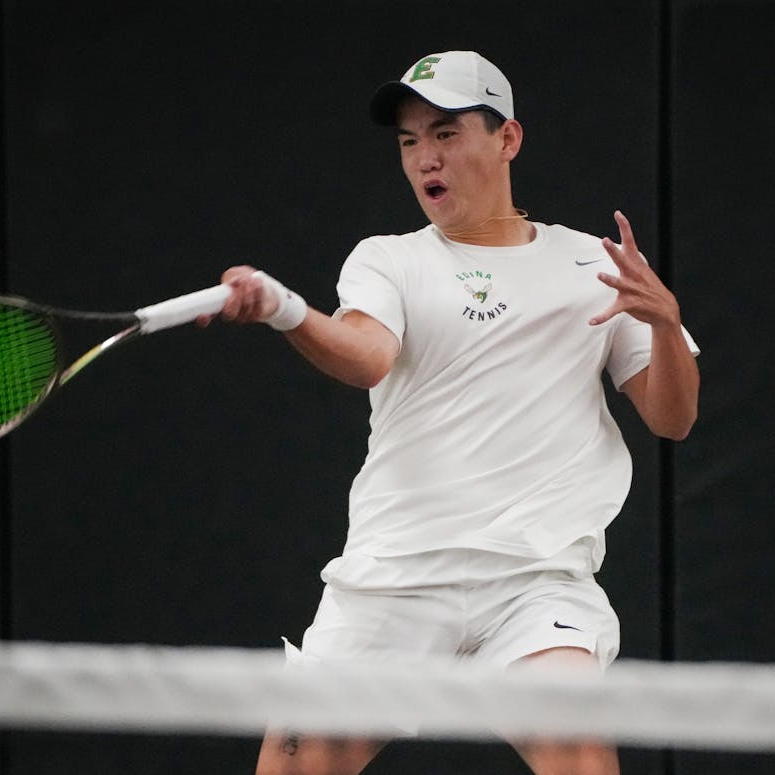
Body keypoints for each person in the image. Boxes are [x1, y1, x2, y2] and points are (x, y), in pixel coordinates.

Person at [203, 50, 700, 775]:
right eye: (409, 142)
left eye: (445, 133)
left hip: (535, 582)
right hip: (394, 578)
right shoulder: (388, 260)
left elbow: (672, 417)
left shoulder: (594, 264)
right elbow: (367, 353)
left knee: (577, 745)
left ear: (508, 139)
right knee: (296, 762)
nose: (424, 158)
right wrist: (287, 310)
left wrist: (664, 322)